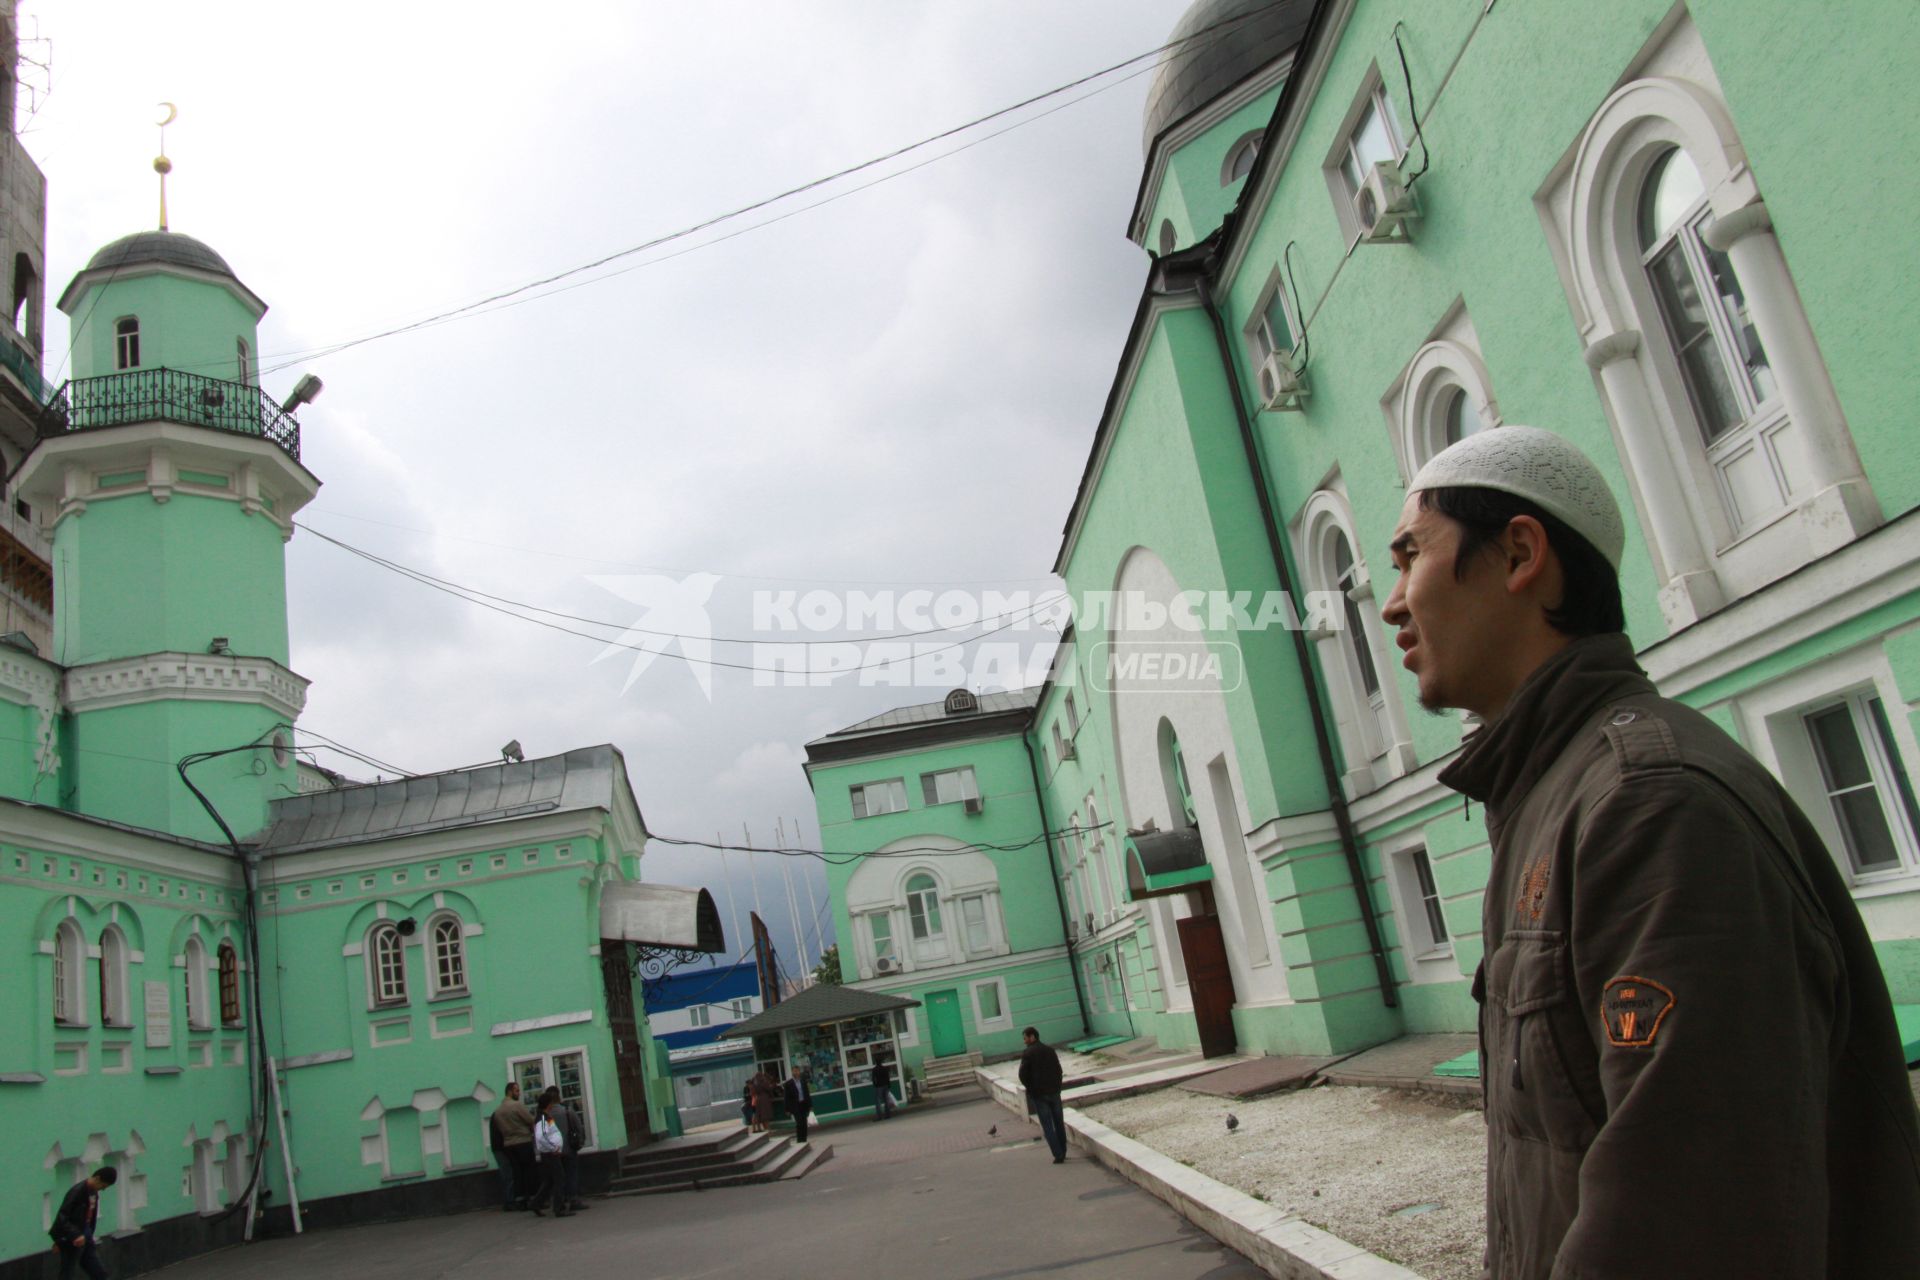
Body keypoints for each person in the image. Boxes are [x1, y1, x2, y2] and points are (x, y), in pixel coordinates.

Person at [1380, 425, 1920, 1278]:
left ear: (1520, 553)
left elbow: (1689, 1226)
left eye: (1411, 555)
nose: (1394, 600)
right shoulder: (1550, 795)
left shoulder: (1648, 804)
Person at [50, 1166, 116, 1280]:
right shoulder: (77, 1192)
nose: (103, 1189)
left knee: (98, 1271)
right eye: (103, 1186)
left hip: (85, 1234)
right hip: (73, 1237)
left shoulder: (93, 1192)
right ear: (97, 1178)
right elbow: (62, 1216)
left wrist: (87, 1233)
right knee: (67, 1272)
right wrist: (74, 1235)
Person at [1017, 1027, 1066, 1164]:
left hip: (1039, 1095)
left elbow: (1022, 1075)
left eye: (1025, 1038)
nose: (1024, 1041)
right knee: (1059, 1123)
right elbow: (1059, 1070)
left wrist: (1031, 1089)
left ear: (1032, 1037)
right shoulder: (1050, 1050)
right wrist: (1057, 1086)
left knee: (1047, 1125)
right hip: (1054, 1092)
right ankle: (1063, 1150)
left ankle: (1058, 1154)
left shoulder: (1028, 1053)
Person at [541, 1086, 591, 1213]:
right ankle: (573, 1199)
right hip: (569, 1148)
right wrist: (580, 1140)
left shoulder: (545, 1115)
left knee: (557, 1177)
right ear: (559, 1096)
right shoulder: (567, 1111)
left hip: (553, 1151)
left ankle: (559, 1200)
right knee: (571, 1174)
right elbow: (578, 1126)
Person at [491, 1081, 535, 1209]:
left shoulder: (498, 1111)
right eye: (517, 1090)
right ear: (510, 1091)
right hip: (523, 1141)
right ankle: (532, 1197)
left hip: (508, 1144)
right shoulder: (516, 1106)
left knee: (517, 1172)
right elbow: (530, 1120)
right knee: (529, 1170)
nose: (519, 1093)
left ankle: (519, 1199)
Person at [528, 1096, 571, 1217]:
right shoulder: (542, 1118)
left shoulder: (546, 1117)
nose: (552, 1105)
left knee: (549, 1181)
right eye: (551, 1103)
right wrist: (554, 1148)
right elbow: (541, 1137)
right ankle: (558, 1208)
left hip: (549, 1153)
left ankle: (535, 1203)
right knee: (559, 1178)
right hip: (550, 1154)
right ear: (548, 1104)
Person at [781, 1065, 814, 1145]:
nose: (796, 1072)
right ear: (792, 1072)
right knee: (799, 1123)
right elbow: (786, 1097)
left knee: (804, 1123)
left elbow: (807, 1094)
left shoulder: (803, 1081)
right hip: (795, 1106)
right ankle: (800, 1141)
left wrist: (810, 1106)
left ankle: (804, 1140)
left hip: (803, 1104)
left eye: (797, 1071)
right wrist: (787, 1109)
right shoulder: (788, 1084)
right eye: (794, 1071)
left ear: (799, 1072)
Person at [748, 1066, 777, 1134]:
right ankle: (768, 1129)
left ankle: (764, 1128)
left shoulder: (754, 1084)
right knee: (766, 1115)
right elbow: (769, 1089)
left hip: (758, 1100)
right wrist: (773, 1086)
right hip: (765, 1099)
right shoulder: (764, 1082)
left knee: (760, 1115)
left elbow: (752, 1093)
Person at [870, 1055, 895, 1121]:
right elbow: (888, 1077)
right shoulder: (884, 1068)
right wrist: (889, 1085)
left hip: (878, 1087)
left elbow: (873, 1079)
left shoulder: (874, 1069)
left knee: (878, 1102)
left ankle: (879, 1117)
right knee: (886, 1100)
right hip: (885, 1085)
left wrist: (875, 1085)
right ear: (881, 1062)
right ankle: (888, 1115)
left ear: (876, 1062)